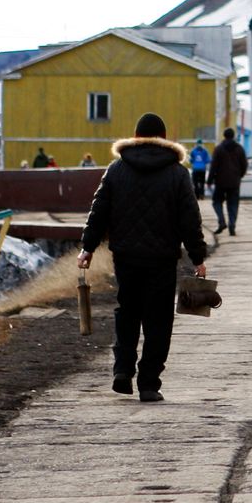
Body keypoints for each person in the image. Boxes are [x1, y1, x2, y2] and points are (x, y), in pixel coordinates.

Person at [77, 112, 209, 403]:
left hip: (125, 257)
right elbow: (190, 219)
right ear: (163, 139)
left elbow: (98, 212)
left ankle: (122, 370)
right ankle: (149, 383)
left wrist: (87, 248)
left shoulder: (117, 169)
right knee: (158, 320)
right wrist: (198, 257)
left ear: (135, 137)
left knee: (127, 311)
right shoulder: (177, 173)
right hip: (161, 259)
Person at [209, 127, 248, 236]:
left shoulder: (219, 149)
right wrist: (240, 175)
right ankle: (232, 225)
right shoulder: (239, 149)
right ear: (233, 136)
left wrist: (209, 180)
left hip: (220, 181)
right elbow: (244, 164)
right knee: (233, 204)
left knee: (216, 202)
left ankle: (222, 221)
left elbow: (213, 166)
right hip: (235, 181)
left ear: (224, 135)